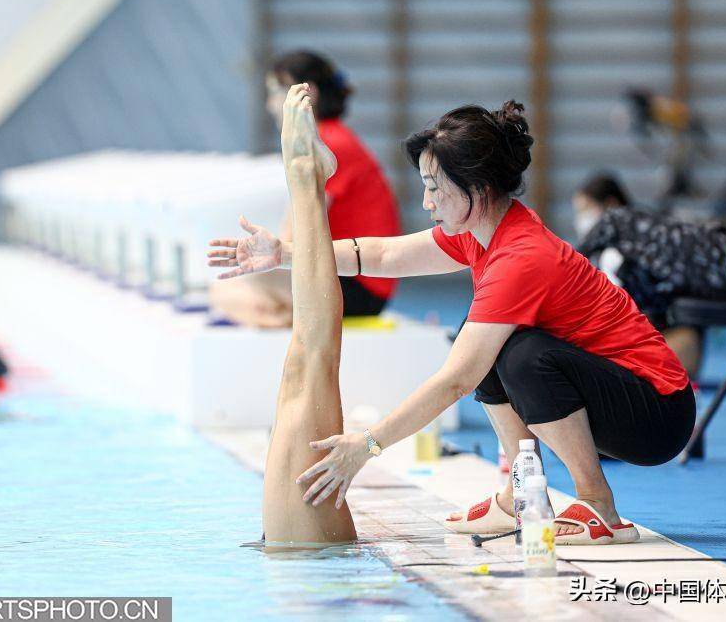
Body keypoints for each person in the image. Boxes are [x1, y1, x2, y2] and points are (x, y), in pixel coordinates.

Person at [210, 100, 695, 545]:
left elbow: (457, 379)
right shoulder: (480, 231)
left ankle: (598, 507)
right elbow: (381, 252)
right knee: (487, 341)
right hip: (621, 394)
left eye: (433, 187)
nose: (427, 202)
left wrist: (368, 444)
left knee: (517, 356)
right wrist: (286, 253)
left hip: (658, 414)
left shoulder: (521, 256)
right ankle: (521, 496)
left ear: (477, 189)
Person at [209, 50, 400, 327]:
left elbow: (295, 232)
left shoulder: (327, 144)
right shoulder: (332, 137)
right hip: (361, 278)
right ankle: (286, 317)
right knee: (237, 284)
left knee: (224, 288)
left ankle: (286, 320)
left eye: (276, 92)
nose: (270, 104)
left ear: (306, 93)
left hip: (361, 286)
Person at [259, 83, 356, 545]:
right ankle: (305, 180)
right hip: (313, 565)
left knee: (306, 363)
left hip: (302, 564)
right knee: (308, 362)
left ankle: (305, 178)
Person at [572, 172, 704, 378]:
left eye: (586, 209)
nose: (581, 219)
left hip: (672, 339)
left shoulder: (623, 250)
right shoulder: (605, 251)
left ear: (610, 205)